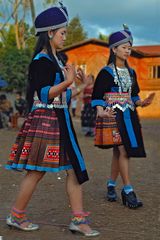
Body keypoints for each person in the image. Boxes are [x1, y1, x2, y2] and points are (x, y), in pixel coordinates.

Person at [5, 3, 99, 237]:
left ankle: (78, 219)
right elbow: (45, 93)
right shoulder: (41, 61)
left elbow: (64, 96)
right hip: (47, 121)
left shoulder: (56, 60)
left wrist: (80, 86)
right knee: (36, 172)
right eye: (63, 32)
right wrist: (67, 82)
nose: (66, 36)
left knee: (73, 170)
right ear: (50, 33)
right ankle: (16, 216)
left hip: (61, 120)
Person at [92, 25, 155, 209]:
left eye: (129, 47)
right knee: (124, 151)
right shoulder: (106, 72)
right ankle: (128, 190)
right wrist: (100, 110)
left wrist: (141, 103)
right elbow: (96, 96)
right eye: (124, 47)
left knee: (119, 152)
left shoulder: (132, 72)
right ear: (114, 49)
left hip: (129, 116)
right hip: (113, 115)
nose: (128, 50)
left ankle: (111, 185)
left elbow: (133, 95)